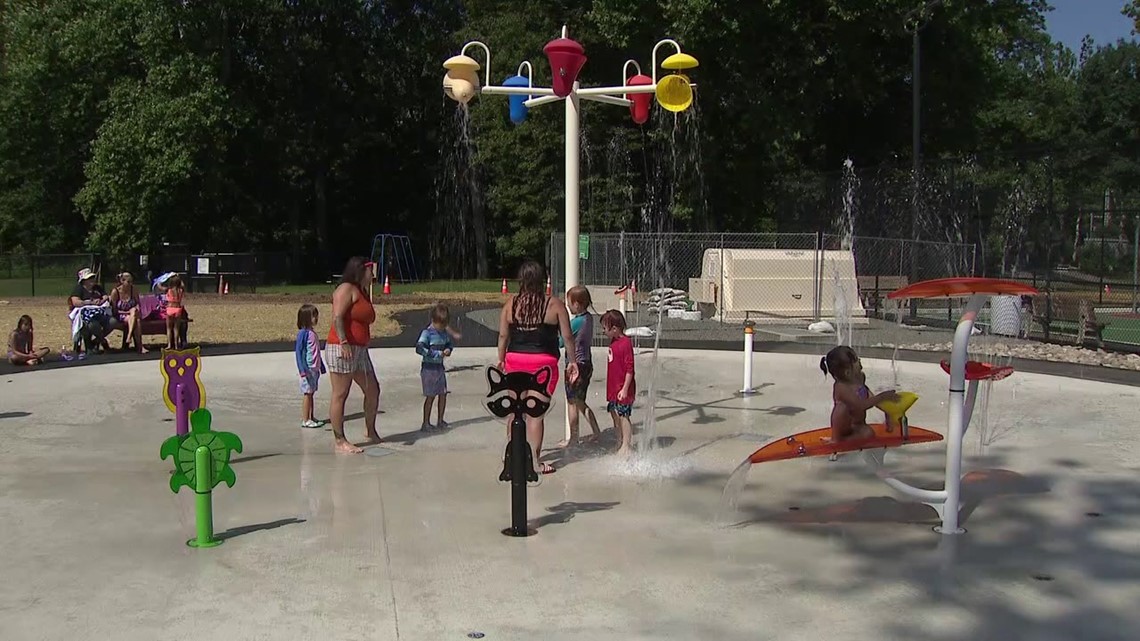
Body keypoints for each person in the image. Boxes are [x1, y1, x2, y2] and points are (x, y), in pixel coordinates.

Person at [496, 259, 578, 475]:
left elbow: (504, 335)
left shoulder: (511, 304)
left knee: (515, 410)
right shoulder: (554, 304)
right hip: (544, 363)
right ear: (541, 280)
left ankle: (513, 457)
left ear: (521, 280)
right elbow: (568, 336)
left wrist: (501, 358)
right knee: (535, 414)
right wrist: (573, 361)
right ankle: (534, 462)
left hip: (515, 360)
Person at [325, 257, 382, 454]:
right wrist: (343, 342)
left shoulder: (362, 292)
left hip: (359, 350)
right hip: (342, 348)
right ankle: (339, 440)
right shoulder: (346, 289)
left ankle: (370, 430)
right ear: (360, 271)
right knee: (340, 394)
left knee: (372, 389)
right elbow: (338, 317)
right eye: (370, 271)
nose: (373, 275)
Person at [819, 345, 899, 449]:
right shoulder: (841, 387)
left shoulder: (860, 377)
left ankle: (853, 438)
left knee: (869, 433)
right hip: (845, 428)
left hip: (858, 425)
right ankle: (837, 439)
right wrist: (882, 397)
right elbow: (859, 406)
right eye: (856, 360)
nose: (860, 360)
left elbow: (868, 395)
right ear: (847, 372)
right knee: (842, 407)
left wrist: (887, 410)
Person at [559, 285, 601, 448]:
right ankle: (596, 431)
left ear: (577, 304)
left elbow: (562, 342)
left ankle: (573, 438)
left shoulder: (576, 322)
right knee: (581, 402)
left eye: (569, 303)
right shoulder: (589, 318)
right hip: (587, 364)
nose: (567, 306)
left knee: (572, 403)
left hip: (574, 367)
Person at [601, 309, 636, 456]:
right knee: (614, 413)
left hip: (623, 388)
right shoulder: (614, 341)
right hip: (614, 387)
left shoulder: (626, 343)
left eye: (605, 328)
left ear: (614, 329)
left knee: (624, 415)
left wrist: (625, 389)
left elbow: (630, 369)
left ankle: (626, 445)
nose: (603, 331)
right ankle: (620, 440)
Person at [416, 303, 455, 432]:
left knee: (443, 394)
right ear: (433, 321)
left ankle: (440, 420)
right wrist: (437, 354)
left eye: (444, 325)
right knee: (430, 396)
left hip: (439, 368)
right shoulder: (427, 333)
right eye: (440, 325)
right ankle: (425, 422)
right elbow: (419, 348)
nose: (442, 328)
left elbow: (449, 344)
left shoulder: (443, 333)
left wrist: (449, 350)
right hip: (429, 369)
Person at [68, 268, 119, 354]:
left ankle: (96, 341)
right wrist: (89, 302)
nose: (92, 280)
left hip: (100, 312)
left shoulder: (97, 288)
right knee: (93, 325)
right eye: (89, 278)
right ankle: (100, 342)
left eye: (92, 277)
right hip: (86, 315)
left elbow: (106, 296)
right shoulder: (79, 289)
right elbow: (75, 301)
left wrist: (101, 301)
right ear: (84, 280)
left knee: (113, 322)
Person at [295, 303, 327, 429]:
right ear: (306, 318)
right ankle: (305, 419)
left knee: (311, 393)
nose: (316, 319)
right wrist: (302, 370)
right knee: (307, 394)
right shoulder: (303, 333)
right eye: (314, 316)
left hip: (314, 369)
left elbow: (316, 351)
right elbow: (299, 352)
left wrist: (321, 366)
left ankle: (311, 416)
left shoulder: (312, 333)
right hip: (307, 369)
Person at [109, 271, 148, 353]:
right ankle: (140, 346)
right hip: (121, 314)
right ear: (122, 281)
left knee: (134, 315)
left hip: (133, 314)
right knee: (136, 321)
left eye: (131, 281)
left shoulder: (133, 289)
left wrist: (135, 309)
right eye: (128, 282)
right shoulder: (115, 292)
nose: (130, 284)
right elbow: (114, 310)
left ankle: (129, 337)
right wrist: (127, 312)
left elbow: (137, 303)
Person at [163, 275, 186, 349]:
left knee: (169, 328)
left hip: (170, 308)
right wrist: (179, 277)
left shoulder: (169, 290)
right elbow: (183, 285)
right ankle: (176, 345)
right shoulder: (180, 290)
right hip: (178, 308)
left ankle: (169, 344)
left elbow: (159, 286)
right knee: (176, 328)